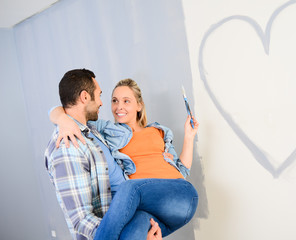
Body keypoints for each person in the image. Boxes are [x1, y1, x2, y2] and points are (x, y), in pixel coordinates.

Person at [45, 69, 198, 240]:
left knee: (130, 189)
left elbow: (182, 171)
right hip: (142, 208)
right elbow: (65, 109)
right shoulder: (106, 132)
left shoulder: (159, 132)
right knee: (136, 224)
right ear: (85, 97)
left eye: (126, 101)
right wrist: (61, 118)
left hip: (178, 193)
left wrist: (189, 137)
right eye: (114, 100)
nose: (117, 106)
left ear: (139, 105)